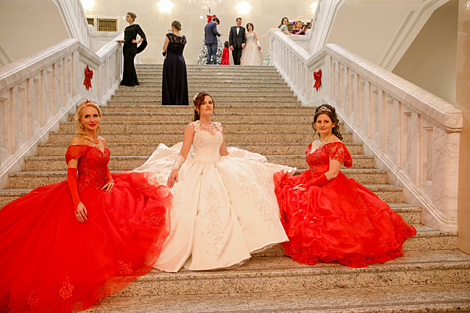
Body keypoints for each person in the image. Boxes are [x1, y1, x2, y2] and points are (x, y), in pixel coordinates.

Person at [0, 100, 172, 312]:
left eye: (95, 116)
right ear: (80, 120)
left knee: (134, 205)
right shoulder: (77, 142)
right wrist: (77, 202)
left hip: (103, 189)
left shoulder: (101, 140)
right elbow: (72, 174)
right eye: (87, 116)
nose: (92, 120)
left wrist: (109, 178)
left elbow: (104, 164)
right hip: (82, 193)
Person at [133, 92, 296, 272]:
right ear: (197, 108)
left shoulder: (219, 127)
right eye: (204, 103)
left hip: (219, 165)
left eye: (210, 102)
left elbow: (224, 152)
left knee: (242, 195)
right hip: (199, 167)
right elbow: (184, 152)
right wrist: (175, 168)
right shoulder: (192, 128)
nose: (208, 105)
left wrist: (243, 163)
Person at [274, 104, 417, 268]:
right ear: (315, 124)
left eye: (326, 122)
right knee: (286, 189)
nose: (322, 125)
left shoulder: (336, 145)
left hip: (329, 184)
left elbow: (332, 173)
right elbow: (310, 167)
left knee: (317, 206)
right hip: (311, 179)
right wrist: (303, 181)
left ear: (333, 124)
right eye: (319, 121)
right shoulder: (314, 143)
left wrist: (309, 186)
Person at [162, 20, 188, 105]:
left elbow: (164, 48)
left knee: (170, 80)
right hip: (181, 60)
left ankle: (170, 100)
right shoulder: (183, 38)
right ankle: (180, 100)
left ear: (173, 27)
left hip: (171, 60)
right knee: (180, 81)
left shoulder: (169, 36)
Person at [117, 12, 147, 86]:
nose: (126, 18)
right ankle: (131, 81)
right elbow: (126, 39)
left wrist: (137, 42)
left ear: (132, 18)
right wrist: (122, 41)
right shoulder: (126, 28)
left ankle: (131, 82)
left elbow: (143, 36)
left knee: (129, 63)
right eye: (126, 16)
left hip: (132, 48)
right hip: (126, 47)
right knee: (127, 64)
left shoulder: (136, 26)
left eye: (128, 17)